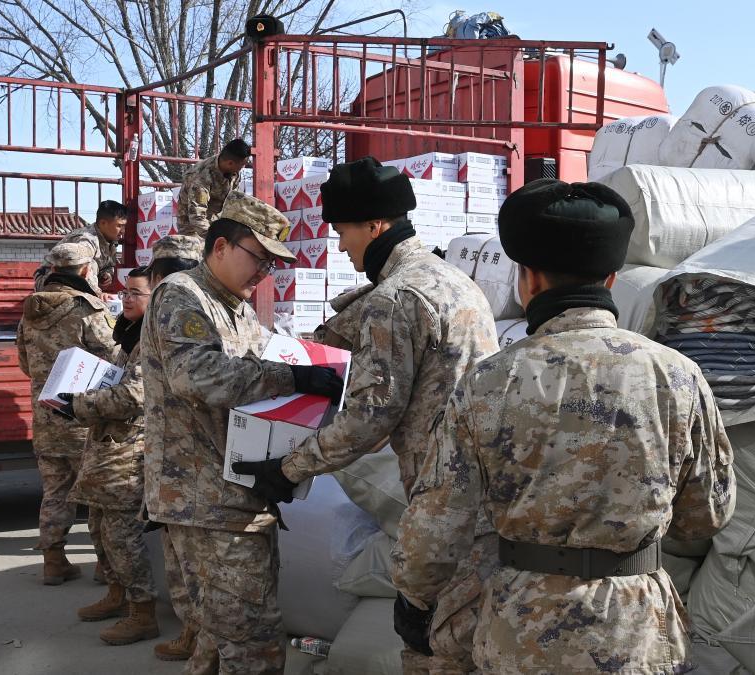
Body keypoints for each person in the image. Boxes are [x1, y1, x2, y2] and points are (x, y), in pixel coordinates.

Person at [391, 179, 737, 674]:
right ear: (611, 279)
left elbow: (436, 527)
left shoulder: (489, 382)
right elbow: (705, 516)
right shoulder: (677, 376)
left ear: (529, 280)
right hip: (634, 632)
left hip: (522, 632)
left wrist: (415, 597)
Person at [231, 156, 499, 674]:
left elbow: (369, 419)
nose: (340, 246)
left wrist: (288, 468)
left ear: (375, 225)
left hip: (440, 500)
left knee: (433, 646)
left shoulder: (395, 298)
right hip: (482, 491)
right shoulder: (452, 280)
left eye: (342, 232)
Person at [140, 192, 343, 674]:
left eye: (271, 265)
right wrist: (290, 377)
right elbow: (197, 375)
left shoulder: (235, 306)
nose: (264, 273)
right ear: (221, 246)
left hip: (232, 491)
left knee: (220, 635)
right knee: (251, 638)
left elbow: (259, 366)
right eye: (259, 258)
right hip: (205, 497)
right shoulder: (183, 296)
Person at [56, 265, 159, 645]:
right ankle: (117, 594)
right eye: (124, 292)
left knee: (122, 536)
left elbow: (135, 395)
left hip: (131, 453)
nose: (126, 298)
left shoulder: (153, 340)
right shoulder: (127, 337)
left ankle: (143, 612)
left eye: (136, 293)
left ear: (156, 298)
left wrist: (80, 405)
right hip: (106, 449)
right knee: (98, 528)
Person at [16, 241, 118, 586]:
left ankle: (54, 562)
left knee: (55, 491)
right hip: (83, 418)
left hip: (45, 418)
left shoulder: (30, 310)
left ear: (53, 270)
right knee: (98, 494)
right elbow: (115, 357)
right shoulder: (88, 310)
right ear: (87, 271)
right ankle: (105, 565)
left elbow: (25, 365)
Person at [137, 234, 206, 663]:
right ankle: (197, 638)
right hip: (190, 458)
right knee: (190, 559)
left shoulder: (169, 303)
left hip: (174, 460)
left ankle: (197, 639)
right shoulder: (192, 303)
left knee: (186, 559)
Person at [35, 200, 127, 294]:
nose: (123, 231)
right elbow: (82, 267)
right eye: (119, 226)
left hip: (69, 284)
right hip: (50, 281)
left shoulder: (110, 241)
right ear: (103, 223)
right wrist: (97, 295)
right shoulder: (87, 240)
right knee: (90, 263)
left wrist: (107, 275)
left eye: (124, 226)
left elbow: (109, 264)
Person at [177, 139, 251, 239]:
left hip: (215, 220)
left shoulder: (233, 171)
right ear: (230, 163)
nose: (243, 168)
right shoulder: (201, 177)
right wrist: (215, 239)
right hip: (193, 227)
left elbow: (234, 204)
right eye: (242, 165)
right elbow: (197, 216)